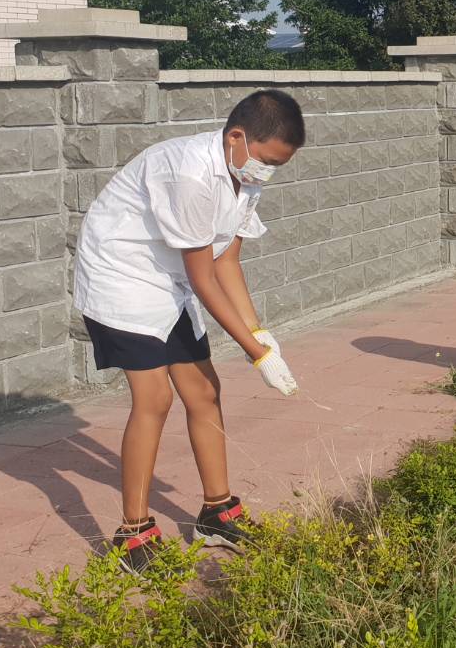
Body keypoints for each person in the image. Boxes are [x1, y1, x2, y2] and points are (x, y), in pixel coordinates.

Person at [74, 89, 305, 574]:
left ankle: (217, 512)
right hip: (123, 274)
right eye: (265, 161)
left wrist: (259, 333)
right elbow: (203, 279)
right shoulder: (189, 171)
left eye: (276, 167)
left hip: (170, 277)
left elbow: (227, 260)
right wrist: (254, 353)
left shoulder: (244, 174)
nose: (266, 173)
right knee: (154, 398)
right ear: (237, 136)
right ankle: (132, 532)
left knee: (203, 390)